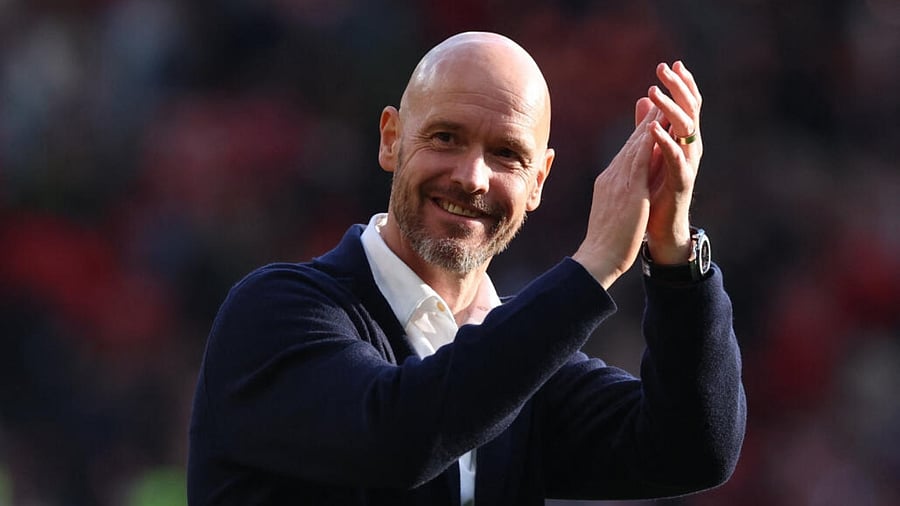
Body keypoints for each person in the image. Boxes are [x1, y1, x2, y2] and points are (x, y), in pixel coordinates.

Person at [187, 31, 746, 505]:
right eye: (446, 137)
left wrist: (674, 252)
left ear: (538, 182)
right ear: (391, 139)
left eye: (507, 154)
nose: (472, 177)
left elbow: (694, 449)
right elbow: (397, 440)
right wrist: (593, 265)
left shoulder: (524, 372)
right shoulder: (273, 313)